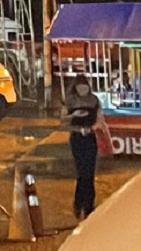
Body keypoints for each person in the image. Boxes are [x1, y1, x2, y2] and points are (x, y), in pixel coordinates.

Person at [61, 74, 106, 219]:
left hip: (90, 138)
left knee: (90, 172)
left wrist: (93, 128)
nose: (82, 90)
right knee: (82, 172)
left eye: (84, 87)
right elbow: (63, 122)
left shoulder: (94, 100)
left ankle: (88, 206)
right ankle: (79, 202)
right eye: (80, 87)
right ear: (75, 87)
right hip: (77, 138)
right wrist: (74, 116)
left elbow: (100, 119)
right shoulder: (70, 101)